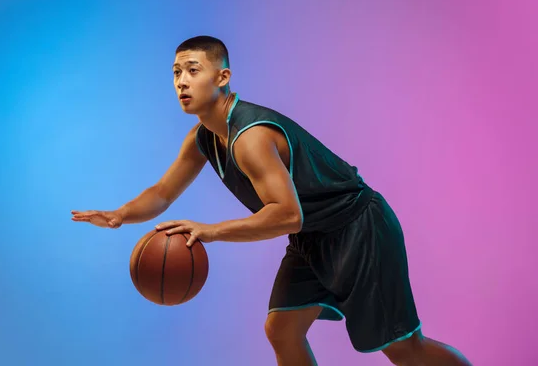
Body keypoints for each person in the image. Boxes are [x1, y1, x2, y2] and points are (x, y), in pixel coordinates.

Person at [71, 36, 472, 366]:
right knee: (281, 329)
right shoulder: (204, 139)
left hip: (357, 227)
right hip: (313, 237)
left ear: (222, 76)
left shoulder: (250, 137)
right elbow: (162, 193)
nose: (182, 81)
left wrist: (210, 231)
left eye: (194, 70)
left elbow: (287, 215)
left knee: (403, 348)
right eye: (176, 72)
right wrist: (120, 215)